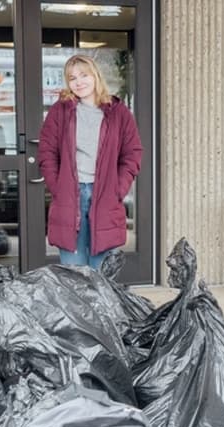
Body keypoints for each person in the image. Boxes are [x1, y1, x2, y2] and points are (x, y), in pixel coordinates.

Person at [38, 54, 142, 270]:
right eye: (72, 78)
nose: (79, 82)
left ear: (95, 76)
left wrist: (118, 188)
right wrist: (58, 187)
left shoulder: (118, 113)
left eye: (84, 75)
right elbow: (47, 152)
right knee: (74, 274)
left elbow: (132, 154)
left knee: (101, 274)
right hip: (70, 195)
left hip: (105, 195)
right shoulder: (59, 111)